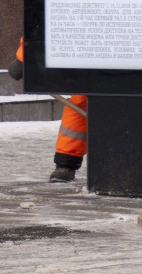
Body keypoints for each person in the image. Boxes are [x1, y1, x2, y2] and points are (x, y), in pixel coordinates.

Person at [9, 38, 87, 183]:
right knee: (81, 102)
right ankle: (67, 162)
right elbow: (40, 22)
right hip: (90, 53)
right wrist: (24, 57)